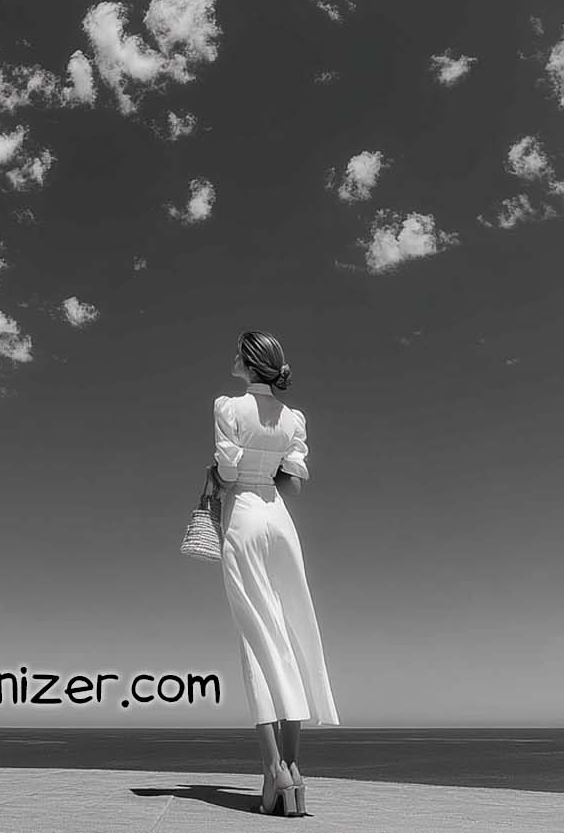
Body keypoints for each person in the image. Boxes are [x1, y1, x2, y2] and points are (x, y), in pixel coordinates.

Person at [211, 330, 338, 816]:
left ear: (248, 362)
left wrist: (219, 473)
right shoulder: (293, 418)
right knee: (290, 634)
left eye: (237, 352)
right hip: (280, 520)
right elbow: (294, 482)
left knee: (256, 639)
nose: (231, 357)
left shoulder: (229, 407)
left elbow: (227, 475)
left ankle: (273, 772)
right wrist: (269, 470)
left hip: (243, 514)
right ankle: (295, 768)